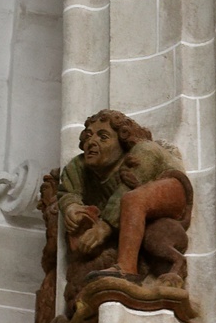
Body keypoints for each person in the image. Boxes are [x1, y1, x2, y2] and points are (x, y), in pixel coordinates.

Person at [58, 109, 192, 284]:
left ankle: (127, 267)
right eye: (88, 136)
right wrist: (72, 207)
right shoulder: (78, 166)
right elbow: (68, 191)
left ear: (123, 140)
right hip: (136, 214)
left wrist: (103, 228)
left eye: (103, 137)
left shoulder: (144, 151)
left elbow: (127, 189)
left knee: (132, 199)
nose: (91, 142)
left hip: (170, 191)